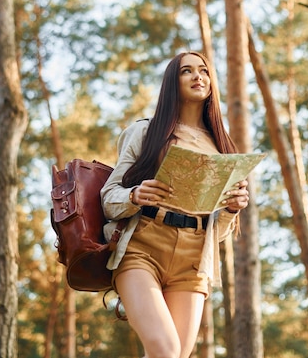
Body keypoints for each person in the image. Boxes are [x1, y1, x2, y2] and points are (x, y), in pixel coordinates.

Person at [100, 51, 250, 358]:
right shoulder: (145, 131)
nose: (198, 76)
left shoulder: (222, 147)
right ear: (172, 82)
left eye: (204, 70)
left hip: (194, 259)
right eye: (187, 71)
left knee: (177, 355)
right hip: (143, 247)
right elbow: (107, 196)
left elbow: (217, 230)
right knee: (165, 350)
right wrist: (134, 196)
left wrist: (232, 209)